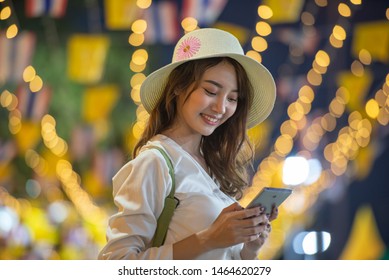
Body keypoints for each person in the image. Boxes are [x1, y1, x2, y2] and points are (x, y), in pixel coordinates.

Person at [98, 28, 277, 260]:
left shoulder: (213, 166)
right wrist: (209, 238)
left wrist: (248, 249)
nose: (221, 108)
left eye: (233, 98)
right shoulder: (155, 162)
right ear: (177, 88)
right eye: (211, 91)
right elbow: (116, 262)